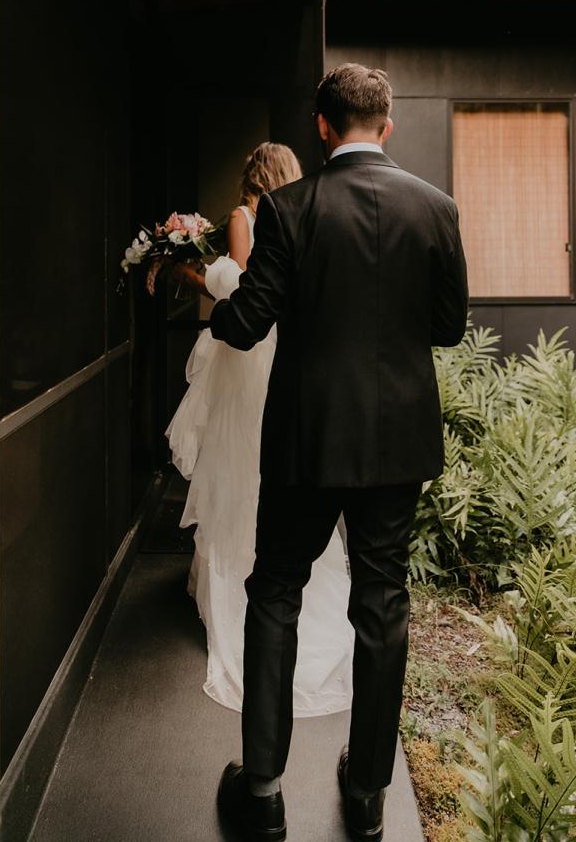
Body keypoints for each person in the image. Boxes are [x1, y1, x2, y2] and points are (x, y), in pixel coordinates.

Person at [209, 65, 469, 842]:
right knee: (382, 605)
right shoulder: (438, 208)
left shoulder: (289, 209)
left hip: (307, 442)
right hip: (397, 446)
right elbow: (449, 327)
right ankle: (366, 796)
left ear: (322, 127)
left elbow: (247, 322)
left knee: (276, 592)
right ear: (384, 127)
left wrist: (216, 309)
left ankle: (261, 792)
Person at [163, 143, 354, 720]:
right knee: (246, 463)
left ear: (255, 175)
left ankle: (242, 577)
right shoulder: (299, 216)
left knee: (241, 462)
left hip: (248, 354)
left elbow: (246, 290)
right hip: (270, 354)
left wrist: (192, 277)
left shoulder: (250, 218)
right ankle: (240, 568)